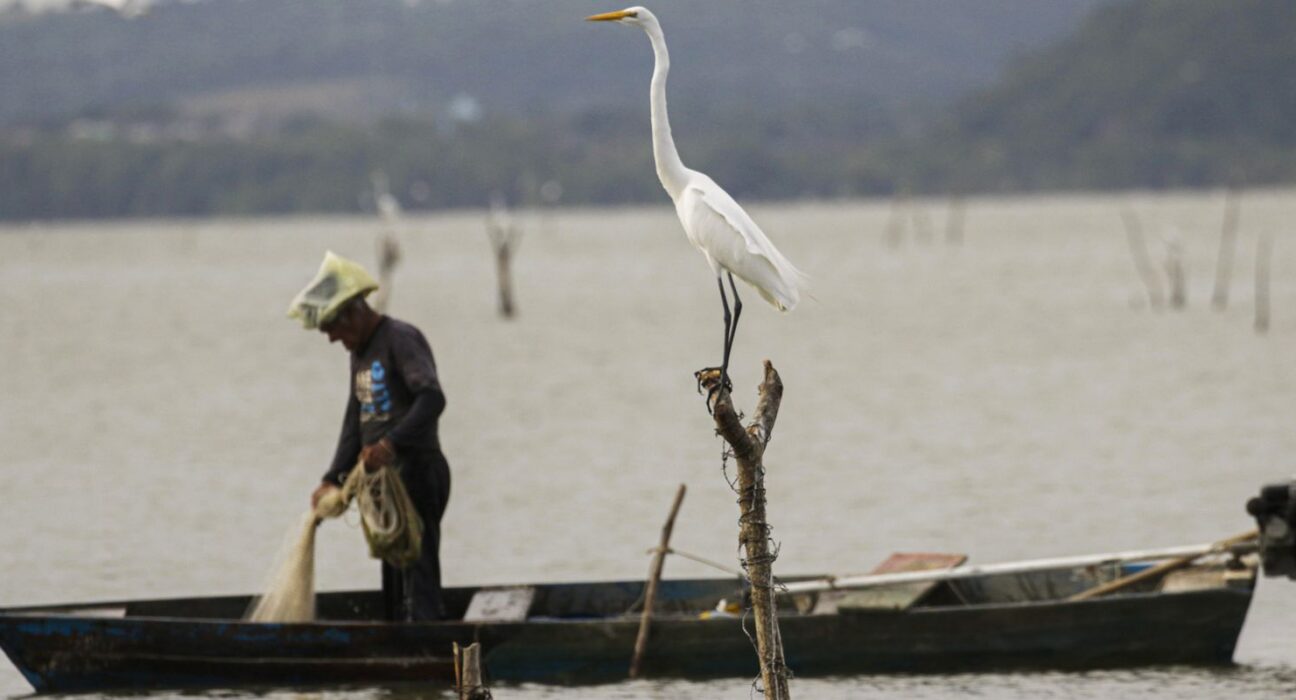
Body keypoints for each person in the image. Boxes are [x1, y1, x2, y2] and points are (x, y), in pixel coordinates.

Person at [287, 251, 451, 622]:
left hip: (419, 470)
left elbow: (432, 398)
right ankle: (396, 638)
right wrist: (332, 477)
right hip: (380, 480)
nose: (332, 339)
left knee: (418, 560)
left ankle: (427, 643)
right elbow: (355, 419)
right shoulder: (359, 352)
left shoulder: (400, 339)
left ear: (354, 313)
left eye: (333, 328)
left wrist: (391, 444)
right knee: (392, 566)